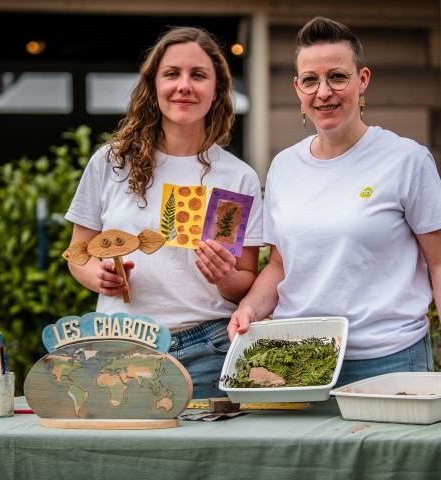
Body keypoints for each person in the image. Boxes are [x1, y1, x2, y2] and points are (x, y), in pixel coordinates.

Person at [228, 16, 441, 386]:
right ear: (297, 89)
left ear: (362, 81)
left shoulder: (407, 160)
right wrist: (249, 306)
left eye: (337, 76)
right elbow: (280, 264)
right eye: (310, 80)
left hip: (388, 360)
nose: (323, 91)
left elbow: (438, 262)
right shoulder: (283, 166)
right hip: (297, 362)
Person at [65, 26, 263, 398]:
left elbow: (245, 281)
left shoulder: (238, 177)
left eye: (198, 75)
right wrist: (98, 276)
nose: (184, 85)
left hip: (209, 349)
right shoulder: (111, 162)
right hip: (119, 346)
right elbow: (78, 254)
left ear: (218, 89)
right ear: (153, 86)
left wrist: (224, 276)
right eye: (172, 73)